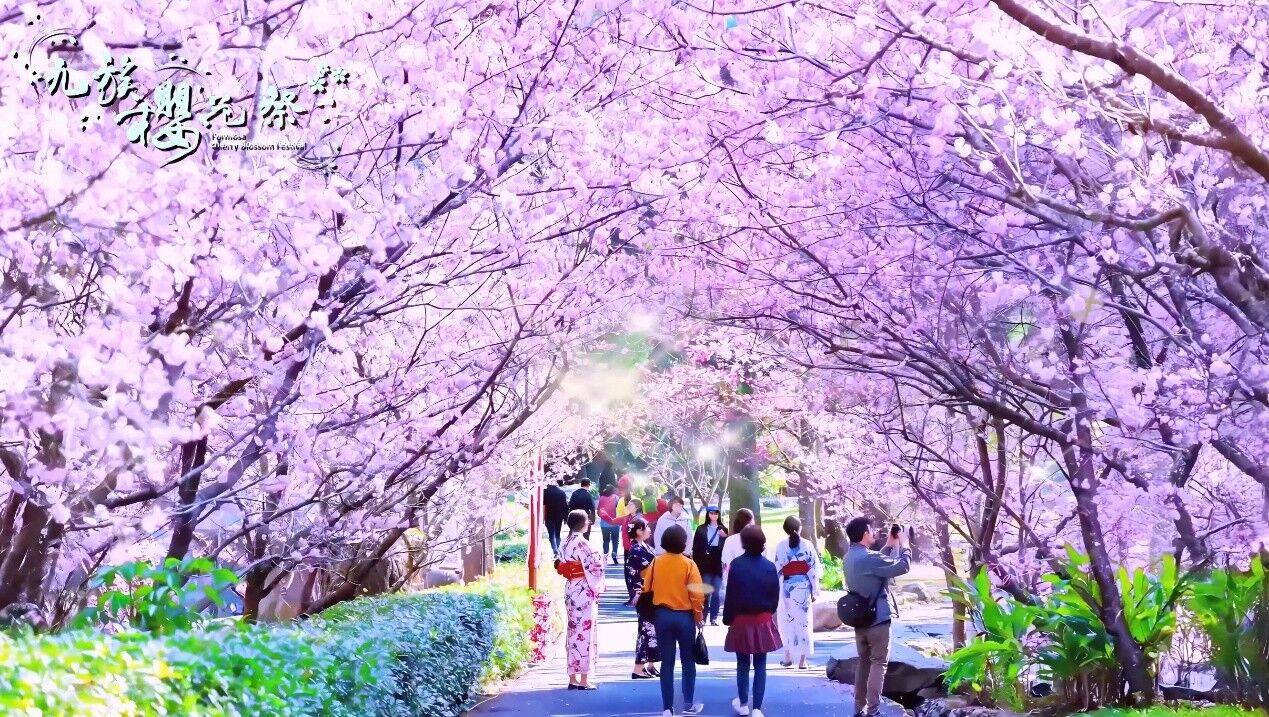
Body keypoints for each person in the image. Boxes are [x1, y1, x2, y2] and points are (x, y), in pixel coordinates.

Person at [844, 517, 912, 717]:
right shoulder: (869, 559)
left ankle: (859, 708)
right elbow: (902, 567)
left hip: (859, 619)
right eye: (871, 530)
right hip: (878, 620)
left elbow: (874, 566)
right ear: (865, 534)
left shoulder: (849, 557)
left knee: (863, 662)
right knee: (879, 663)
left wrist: (890, 546)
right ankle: (873, 710)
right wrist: (905, 544)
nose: (874, 532)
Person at [644, 524, 706, 717]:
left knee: (667, 663)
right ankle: (688, 703)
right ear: (683, 542)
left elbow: (647, 588)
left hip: (662, 616)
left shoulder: (656, 562)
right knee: (688, 661)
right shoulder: (689, 564)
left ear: (663, 542)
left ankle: (667, 708)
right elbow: (697, 594)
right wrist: (699, 617)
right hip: (684, 616)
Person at [723, 525, 781, 717]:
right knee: (760, 664)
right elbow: (775, 596)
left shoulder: (736, 565)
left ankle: (743, 703)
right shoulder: (769, 566)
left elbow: (730, 595)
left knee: (742, 663)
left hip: (740, 619)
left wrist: (728, 618)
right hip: (762, 619)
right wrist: (769, 612)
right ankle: (757, 708)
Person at [559, 509, 606, 690]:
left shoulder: (565, 542)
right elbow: (596, 567)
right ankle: (585, 679)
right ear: (584, 525)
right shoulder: (583, 544)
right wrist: (603, 560)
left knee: (572, 630)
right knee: (585, 632)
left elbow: (562, 564)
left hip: (571, 588)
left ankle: (572, 677)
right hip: (584, 590)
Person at [773, 515, 821, 669]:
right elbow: (814, 569)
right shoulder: (808, 545)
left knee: (786, 621)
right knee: (803, 622)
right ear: (800, 528)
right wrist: (815, 589)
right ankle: (802, 660)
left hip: (786, 587)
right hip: (804, 587)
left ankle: (787, 656)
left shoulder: (781, 546)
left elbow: (776, 569)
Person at [623, 517, 660, 679]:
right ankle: (638, 668)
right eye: (646, 527)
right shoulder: (636, 550)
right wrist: (637, 593)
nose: (649, 530)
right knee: (646, 630)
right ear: (638, 531)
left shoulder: (644, 547)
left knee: (653, 630)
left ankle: (650, 665)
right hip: (644, 594)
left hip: (652, 592)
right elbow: (634, 575)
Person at [692, 506, 728, 625]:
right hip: (704, 562)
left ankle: (714, 617)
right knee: (706, 591)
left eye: (716, 513)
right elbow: (696, 548)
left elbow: (727, 549)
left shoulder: (723, 529)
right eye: (711, 513)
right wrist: (697, 564)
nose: (714, 515)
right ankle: (703, 616)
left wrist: (724, 537)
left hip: (717, 562)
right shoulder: (701, 529)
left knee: (716, 591)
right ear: (708, 515)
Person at [543, 479, 570, 557]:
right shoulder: (561, 492)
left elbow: (544, 506)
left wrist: (543, 518)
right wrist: (565, 518)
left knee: (551, 534)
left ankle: (555, 551)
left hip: (549, 515)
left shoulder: (545, 492)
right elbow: (565, 506)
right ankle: (558, 548)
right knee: (557, 534)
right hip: (559, 516)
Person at [598, 485, 620, 564]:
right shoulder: (616, 497)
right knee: (615, 540)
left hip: (604, 523)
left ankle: (605, 557)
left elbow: (598, 511)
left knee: (606, 540)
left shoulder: (601, 498)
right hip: (614, 522)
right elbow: (619, 509)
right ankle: (614, 555)